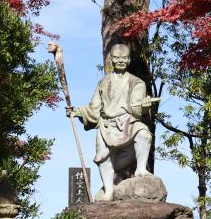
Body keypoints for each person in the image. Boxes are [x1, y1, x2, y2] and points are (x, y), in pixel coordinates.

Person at [66, 44, 154, 201]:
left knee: (144, 134)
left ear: (128, 60)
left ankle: (141, 169)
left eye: (124, 58)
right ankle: (108, 190)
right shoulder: (103, 82)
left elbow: (137, 107)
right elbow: (94, 108)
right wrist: (78, 112)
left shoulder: (137, 82)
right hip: (106, 124)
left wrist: (144, 106)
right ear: (111, 60)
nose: (121, 61)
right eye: (117, 58)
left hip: (129, 122)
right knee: (103, 158)